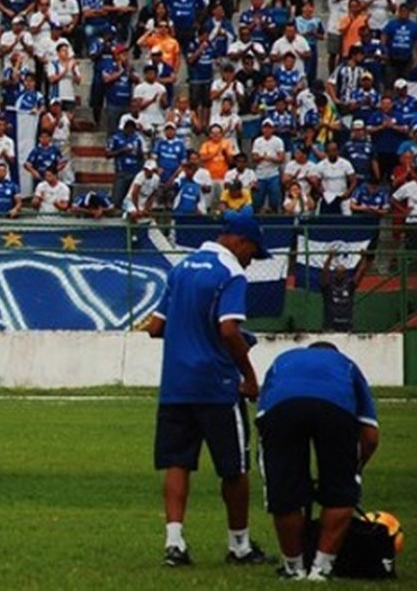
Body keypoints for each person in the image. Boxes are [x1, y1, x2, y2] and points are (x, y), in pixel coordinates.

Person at [146, 212, 271, 568]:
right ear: (239, 241)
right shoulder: (231, 272)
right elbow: (229, 329)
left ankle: (174, 543)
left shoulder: (180, 269)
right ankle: (240, 546)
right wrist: (248, 375)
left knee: (177, 463)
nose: (252, 259)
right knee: (234, 468)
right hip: (216, 385)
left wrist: (190, 332)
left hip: (175, 384)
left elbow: (155, 327)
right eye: (253, 251)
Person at [256, 343, 380, 581]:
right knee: (340, 492)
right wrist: (352, 470)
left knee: (285, 494)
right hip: (335, 409)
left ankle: (293, 568)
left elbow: (263, 417)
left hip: (282, 409)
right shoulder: (348, 366)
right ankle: (321, 569)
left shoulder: (283, 360)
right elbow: (370, 435)